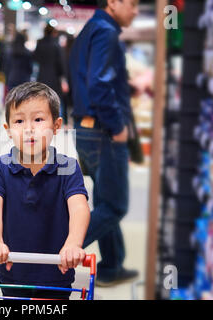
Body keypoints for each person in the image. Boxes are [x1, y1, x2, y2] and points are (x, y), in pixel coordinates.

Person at [0, 82, 90, 299]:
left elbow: (79, 208)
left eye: (38, 120)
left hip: (57, 270)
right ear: (8, 130)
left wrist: (73, 244)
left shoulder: (68, 167)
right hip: (12, 270)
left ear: (57, 126)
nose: (29, 129)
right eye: (19, 121)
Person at [69, 0, 140, 287]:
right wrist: (118, 126)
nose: (135, 11)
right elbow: (99, 84)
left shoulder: (91, 29)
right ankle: (55, 255)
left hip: (87, 130)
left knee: (105, 199)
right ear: (113, 2)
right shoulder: (106, 32)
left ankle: (112, 266)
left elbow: (90, 79)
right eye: (132, 4)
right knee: (115, 206)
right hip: (103, 132)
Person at [33, 25, 65, 116]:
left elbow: (35, 58)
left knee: (42, 99)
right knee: (56, 100)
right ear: (53, 33)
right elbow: (60, 63)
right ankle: (56, 122)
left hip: (41, 76)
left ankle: (41, 118)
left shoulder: (40, 43)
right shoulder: (56, 45)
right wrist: (63, 77)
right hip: (54, 77)